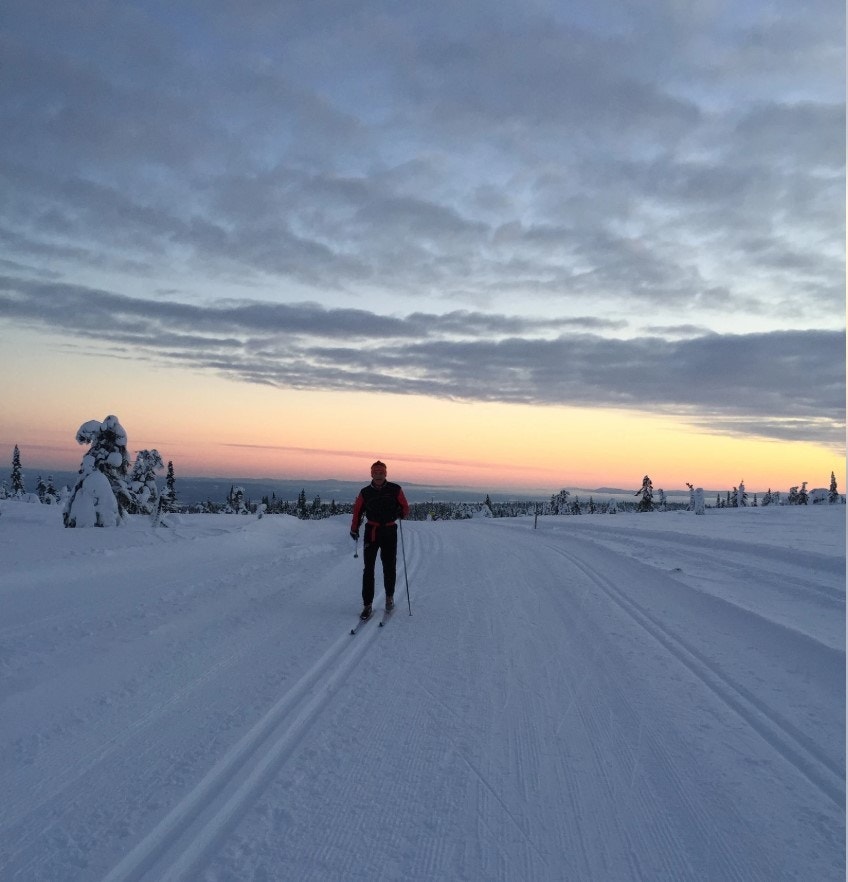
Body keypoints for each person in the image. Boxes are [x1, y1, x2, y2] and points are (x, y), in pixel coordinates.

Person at [350, 461, 410, 619]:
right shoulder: (365, 492)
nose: (378, 475)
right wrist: (354, 528)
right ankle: (367, 605)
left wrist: (401, 513)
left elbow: (405, 508)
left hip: (390, 530)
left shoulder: (395, 489)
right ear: (371, 474)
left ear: (385, 473)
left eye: (381, 472)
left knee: (389, 566)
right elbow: (357, 511)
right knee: (368, 569)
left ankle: (389, 597)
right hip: (372, 531)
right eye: (375, 472)